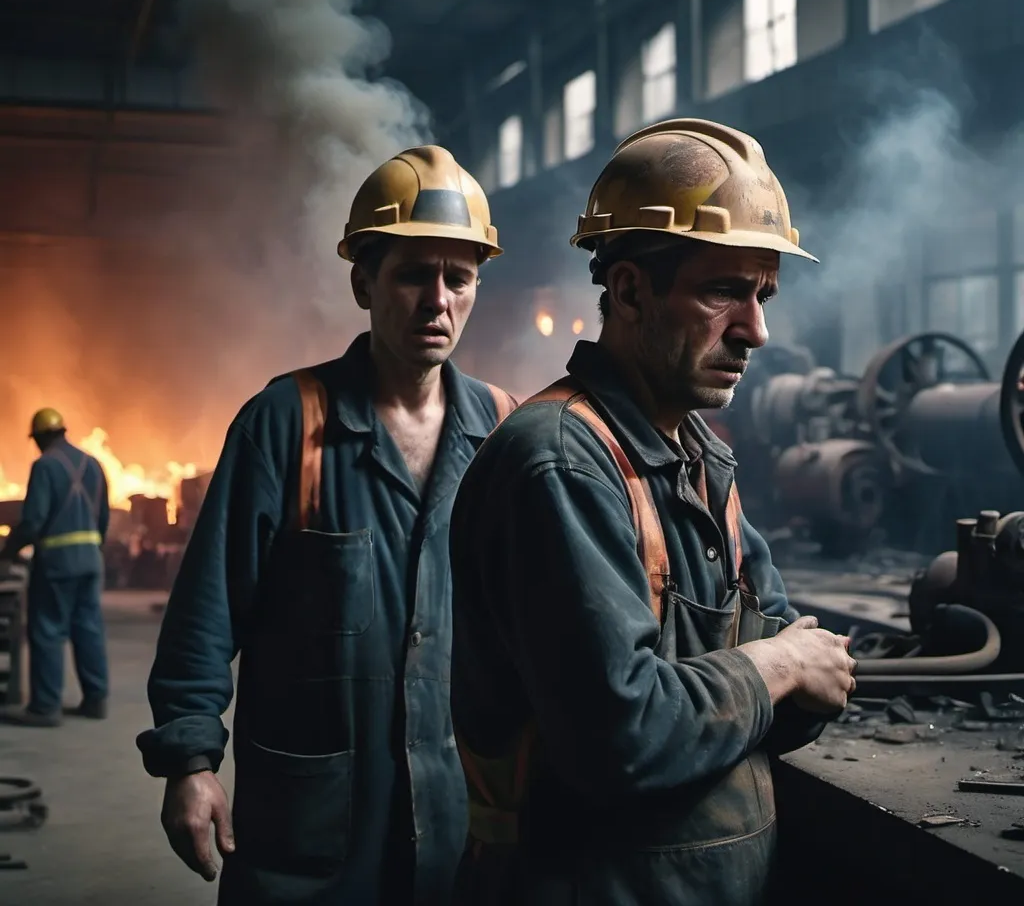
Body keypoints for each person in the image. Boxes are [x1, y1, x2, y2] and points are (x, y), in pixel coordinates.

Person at [449, 119, 858, 906]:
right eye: (722, 292)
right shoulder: (561, 463)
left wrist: (764, 683)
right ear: (630, 289)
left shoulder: (702, 460)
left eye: (763, 294)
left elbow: (802, 695)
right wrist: (774, 669)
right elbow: (624, 741)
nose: (757, 331)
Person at [136, 145, 518, 906]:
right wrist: (190, 761)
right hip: (310, 836)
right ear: (362, 282)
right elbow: (208, 611)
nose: (437, 300)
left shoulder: (505, 433)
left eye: (459, 277)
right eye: (413, 274)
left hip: (458, 826)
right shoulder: (285, 424)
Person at [0, 408, 110, 727]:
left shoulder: (45, 465)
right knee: (88, 628)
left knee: (47, 629)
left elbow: (33, 520)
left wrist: (9, 549)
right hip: (91, 559)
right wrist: (92, 548)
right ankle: (95, 700)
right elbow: (102, 518)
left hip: (57, 562)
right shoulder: (94, 464)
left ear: (41, 437)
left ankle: (45, 707)